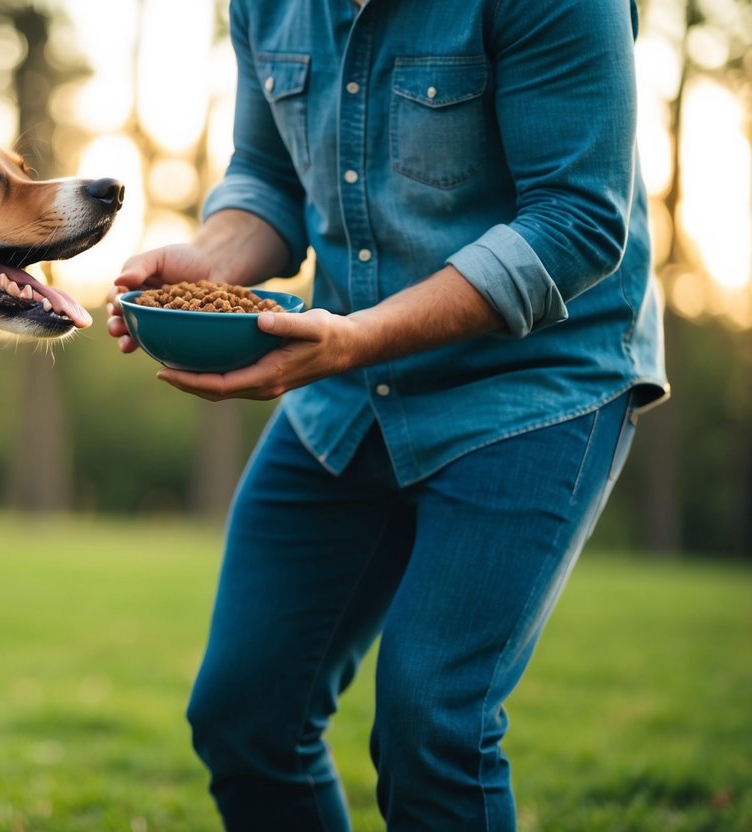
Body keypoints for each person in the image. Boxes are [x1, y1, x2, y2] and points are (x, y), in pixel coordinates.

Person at [106, 0, 667, 829]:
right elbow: (267, 174)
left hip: (532, 385)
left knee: (431, 722)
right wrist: (210, 263)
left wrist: (351, 341)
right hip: (346, 388)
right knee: (246, 715)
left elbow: (577, 221)